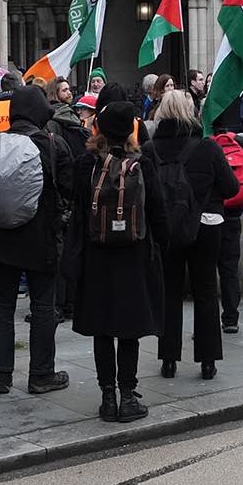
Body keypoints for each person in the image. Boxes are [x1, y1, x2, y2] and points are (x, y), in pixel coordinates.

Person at [70, 100, 168, 423]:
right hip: (133, 255)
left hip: (96, 255)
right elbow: (158, 211)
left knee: (102, 328)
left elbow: (77, 211)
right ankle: (127, 395)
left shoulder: (86, 164)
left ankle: (107, 397)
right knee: (129, 328)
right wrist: (161, 246)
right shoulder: (143, 164)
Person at [0, 85, 73, 394]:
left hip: (1, 237)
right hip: (41, 238)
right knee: (43, 306)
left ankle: (1, 376)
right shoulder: (52, 144)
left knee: (1, 306)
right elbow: (70, 189)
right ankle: (41, 374)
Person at [150, 89, 238, 377]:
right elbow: (231, 188)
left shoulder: (151, 149)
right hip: (206, 223)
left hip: (167, 227)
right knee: (206, 291)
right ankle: (208, 360)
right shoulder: (208, 148)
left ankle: (168, 359)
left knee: (170, 292)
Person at [210, 95, 243, 334]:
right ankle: (231, 318)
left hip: (209, 215)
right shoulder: (240, 142)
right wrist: (239, 206)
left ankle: (207, 320)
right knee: (229, 268)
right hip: (233, 215)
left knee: (206, 270)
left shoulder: (205, 145)